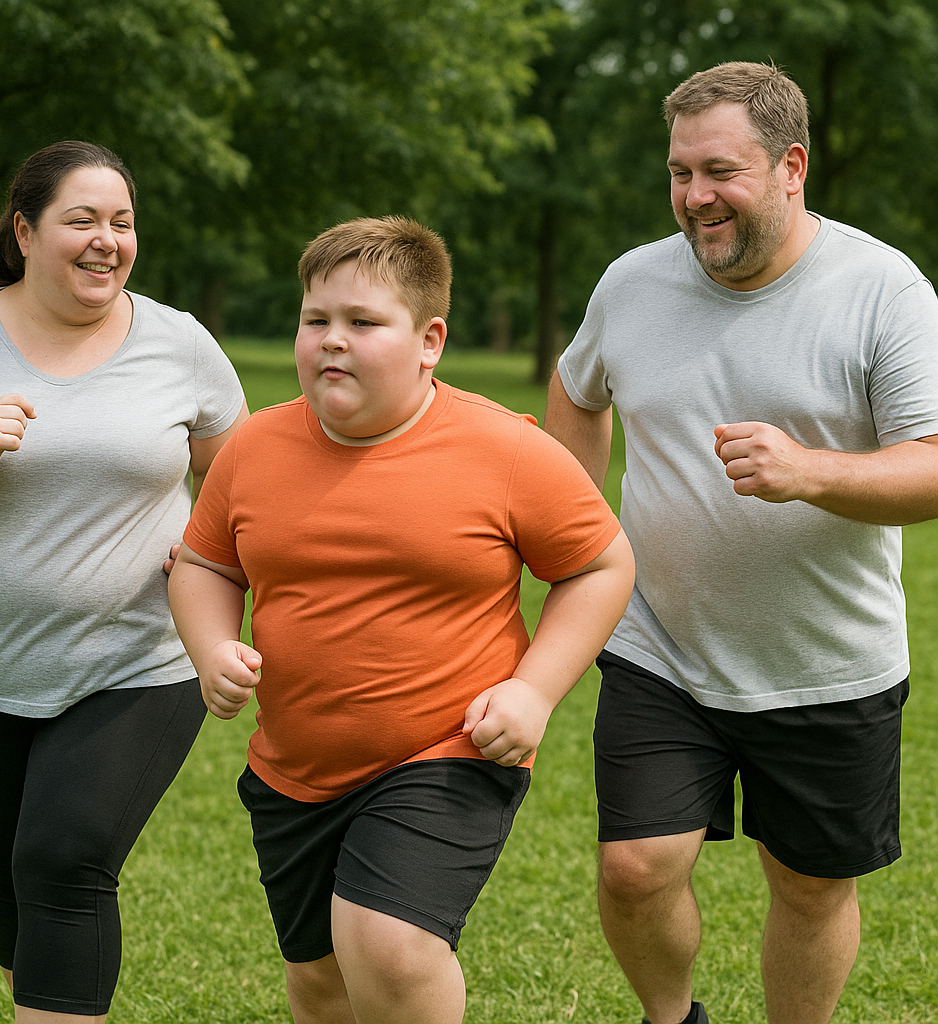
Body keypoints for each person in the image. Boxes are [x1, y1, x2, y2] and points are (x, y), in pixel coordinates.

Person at [545, 61, 938, 1024]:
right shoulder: (633, 282)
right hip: (658, 645)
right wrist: (573, 521)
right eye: (679, 174)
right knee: (635, 868)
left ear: (791, 164)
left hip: (827, 663)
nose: (693, 198)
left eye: (718, 172)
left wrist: (812, 472)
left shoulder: (885, 290)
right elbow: (577, 391)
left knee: (807, 885)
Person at [168, 215, 635, 1024]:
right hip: (296, 767)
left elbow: (601, 563)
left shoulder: (506, 450)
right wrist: (211, 645)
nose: (331, 342)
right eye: (316, 321)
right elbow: (207, 563)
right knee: (320, 980)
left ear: (430, 340)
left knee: (387, 943)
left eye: (362, 323)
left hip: (448, 749)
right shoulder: (254, 448)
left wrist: (533, 692)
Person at [0, 140, 248, 1023]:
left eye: (123, 222)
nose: (108, 240)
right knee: (11, 873)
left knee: (63, 860)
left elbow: (241, 481)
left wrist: (222, 559)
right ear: (25, 232)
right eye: (83, 220)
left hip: (138, 660)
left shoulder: (178, 341)